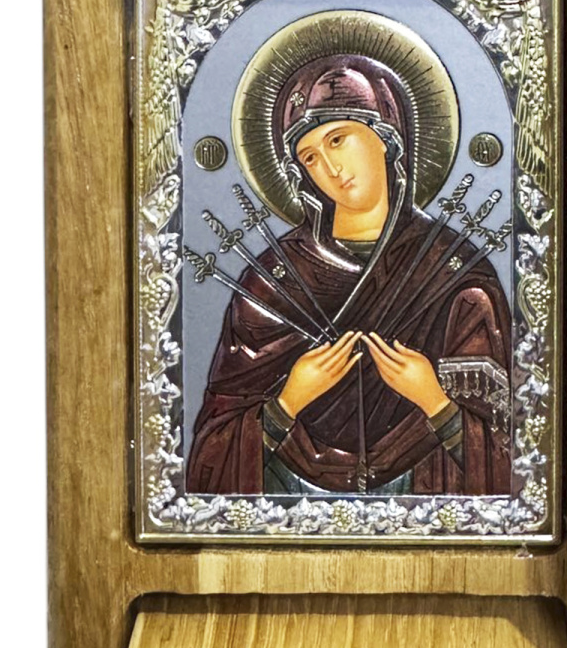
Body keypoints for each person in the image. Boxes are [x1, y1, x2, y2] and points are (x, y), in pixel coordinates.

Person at [186, 53, 511, 497]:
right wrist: (287, 403)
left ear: (386, 138)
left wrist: (434, 401)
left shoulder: (455, 277)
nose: (331, 169)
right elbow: (209, 458)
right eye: (310, 157)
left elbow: (509, 459)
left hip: (421, 496)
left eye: (338, 140)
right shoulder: (272, 280)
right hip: (289, 497)